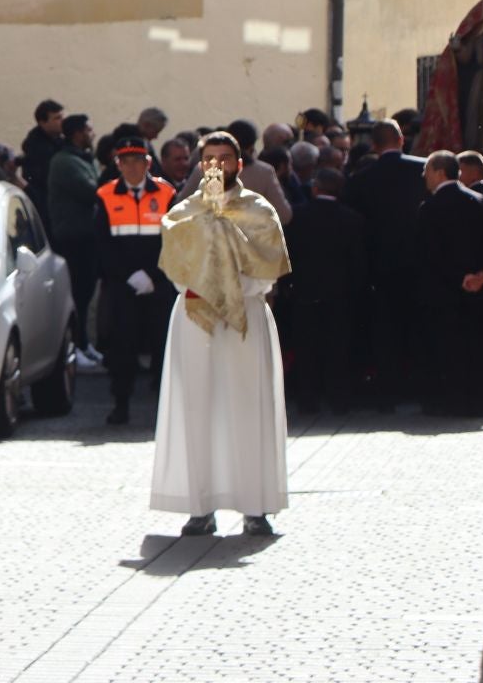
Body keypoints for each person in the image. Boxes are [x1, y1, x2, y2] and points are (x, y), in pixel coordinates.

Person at [152, 131, 292, 538]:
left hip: (245, 316)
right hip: (196, 317)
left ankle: (255, 506)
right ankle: (200, 506)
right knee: (197, 409)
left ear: (239, 163)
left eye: (225, 158)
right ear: (200, 164)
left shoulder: (259, 210)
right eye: (209, 158)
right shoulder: (184, 213)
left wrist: (231, 275)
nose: (217, 165)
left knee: (250, 408)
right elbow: (176, 268)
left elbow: (267, 269)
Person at [344, 118, 429, 411]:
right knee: (418, 326)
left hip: (378, 265)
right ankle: (420, 385)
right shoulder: (423, 170)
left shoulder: (361, 179)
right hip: (420, 264)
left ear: (374, 145)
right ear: (401, 139)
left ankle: (389, 390)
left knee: (385, 330)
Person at [92, 137, 176, 425]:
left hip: (159, 283)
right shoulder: (105, 195)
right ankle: (121, 404)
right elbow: (102, 244)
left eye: (137, 160)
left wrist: (152, 276)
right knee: (121, 347)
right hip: (122, 285)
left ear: (148, 163)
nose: (131, 167)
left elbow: (173, 241)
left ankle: (168, 410)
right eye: (125, 161)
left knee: (163, 345)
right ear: (118, 164)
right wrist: (127, 276)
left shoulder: (166, 193)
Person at [280, 169, 368, 415]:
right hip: (339, 295)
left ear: (315, 188)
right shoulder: (353, 219)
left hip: (304, 292)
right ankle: (339, 400)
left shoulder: (298, 217)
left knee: (306, 348)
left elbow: (288, 256)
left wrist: (289, 286)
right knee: (338, 348)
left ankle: (308, 400)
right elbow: (358, 262)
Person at [415, 151, 483, 416]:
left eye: (427, 170)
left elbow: (430, 255)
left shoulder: (429, 209)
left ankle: (450, 401)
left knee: (446, 347)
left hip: (443, 291)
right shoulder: (482, 202)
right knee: (477, 345)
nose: (424, 176)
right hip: (479, 291)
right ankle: (478, 400)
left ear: (439, 172)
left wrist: (459, 278)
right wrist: (482, 275)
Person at [48, 114, 101, 361]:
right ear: (78, 133)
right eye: (89, 130)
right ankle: (74, 347)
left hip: (87, 237)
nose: (92, 134)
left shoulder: (82, 159)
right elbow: (92, 192)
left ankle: (84, 343)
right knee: (77, 294)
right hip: (72, 238)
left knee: (85, 292)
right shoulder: (66, 162)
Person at [172, 120, 293, 225]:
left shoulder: (204, 169)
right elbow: (284, 215)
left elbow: (178, 208)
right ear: (252, 145)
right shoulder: (264, 172)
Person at [22, 101, 67, 230]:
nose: (62, 121)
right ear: (43, 122)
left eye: (62, 117)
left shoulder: (60, 140)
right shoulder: (36, 147)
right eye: (57, 118)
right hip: (44, 204)